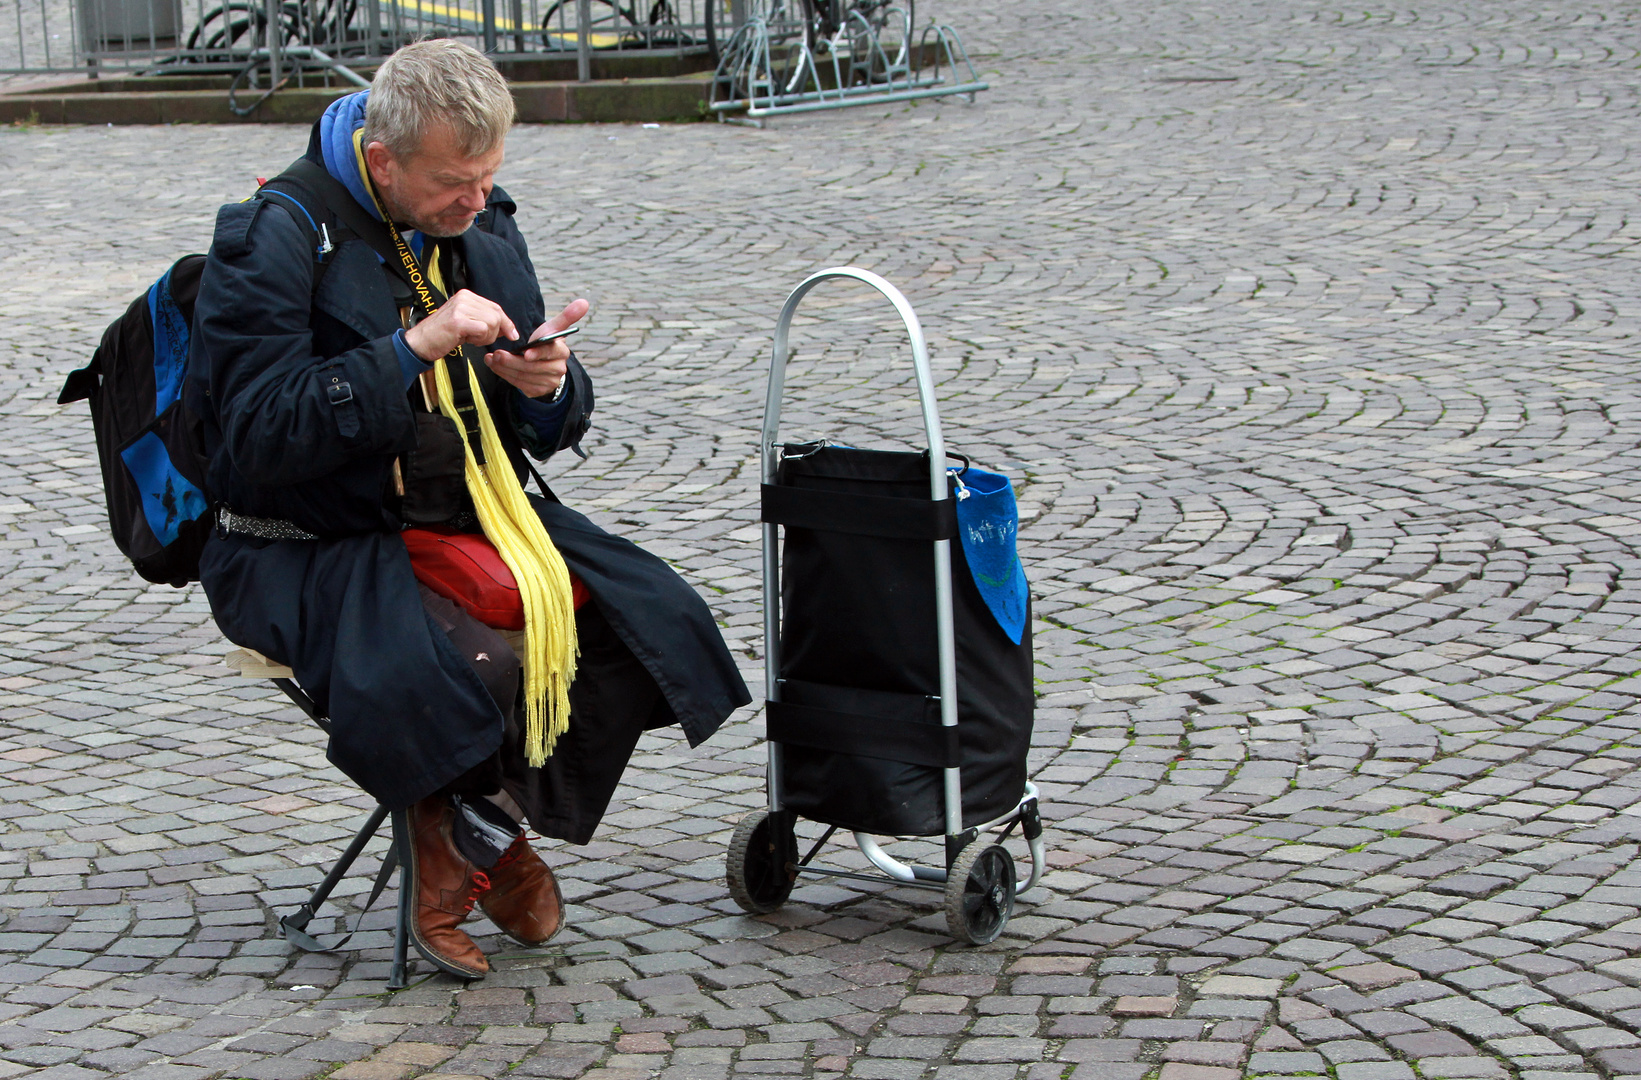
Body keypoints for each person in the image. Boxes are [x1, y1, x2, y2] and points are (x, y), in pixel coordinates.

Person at [186, 39, 750, 980]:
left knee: (652, 624)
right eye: (454, 182)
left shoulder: (479, 225)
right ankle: (465, 846)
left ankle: (474, 828)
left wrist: (545, 384)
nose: (475, 202)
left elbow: (545, 425)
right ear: (381, 161)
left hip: (467, 511)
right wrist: (411, 350)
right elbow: (252, 438)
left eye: (488, 176)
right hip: (300, 542)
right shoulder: (274, 233)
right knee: (467, 663)